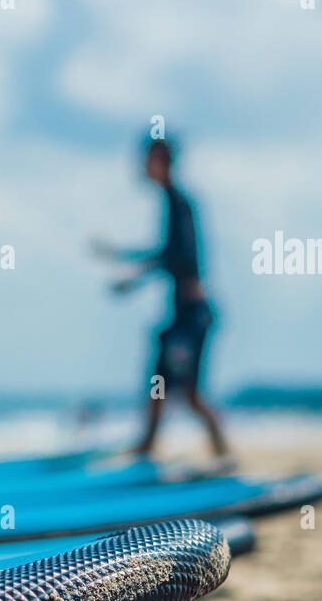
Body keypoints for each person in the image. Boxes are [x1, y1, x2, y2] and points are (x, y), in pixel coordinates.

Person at [92, 137, 229, 457]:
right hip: (183, 314)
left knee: (187, 392)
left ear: (163, 161)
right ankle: (147, 450)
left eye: (148, 158)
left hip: (191, 315)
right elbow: (168, 254)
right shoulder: (172, 200)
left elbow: (176, 256)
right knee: (160, 384)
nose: (142, 164)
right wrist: (125, 261)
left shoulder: (178, 202)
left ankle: (221, 453)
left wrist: (130, 272)